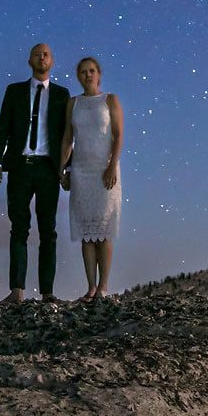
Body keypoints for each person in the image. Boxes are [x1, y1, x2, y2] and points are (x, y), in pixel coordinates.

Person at [0, 43, 70, 302]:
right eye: (37, 54)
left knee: (48, 230)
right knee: (19, 228)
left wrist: (66, 168)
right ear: (29, 60)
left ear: (52, 61)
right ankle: (17, 291)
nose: (41, 57)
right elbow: (3, 127)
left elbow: (67, 135)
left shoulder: (61, 94)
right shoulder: (14, 91)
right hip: (20, 166)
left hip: (48, 168)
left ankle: (47, 292)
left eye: (46, 54)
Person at [59, 55, 123, 299]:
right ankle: (91, 286)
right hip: (81, 171)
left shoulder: (110, 100)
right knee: (86, 232)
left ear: (99, 74)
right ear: (78, 76)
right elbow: (68, 138)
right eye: (83, 71)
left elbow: (118, 136)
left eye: (92, 70)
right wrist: (62, 169)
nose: (88, 75)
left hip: (105, 170)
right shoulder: (73, 103)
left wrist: (112, 166)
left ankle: (104, 286)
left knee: (103, 230)